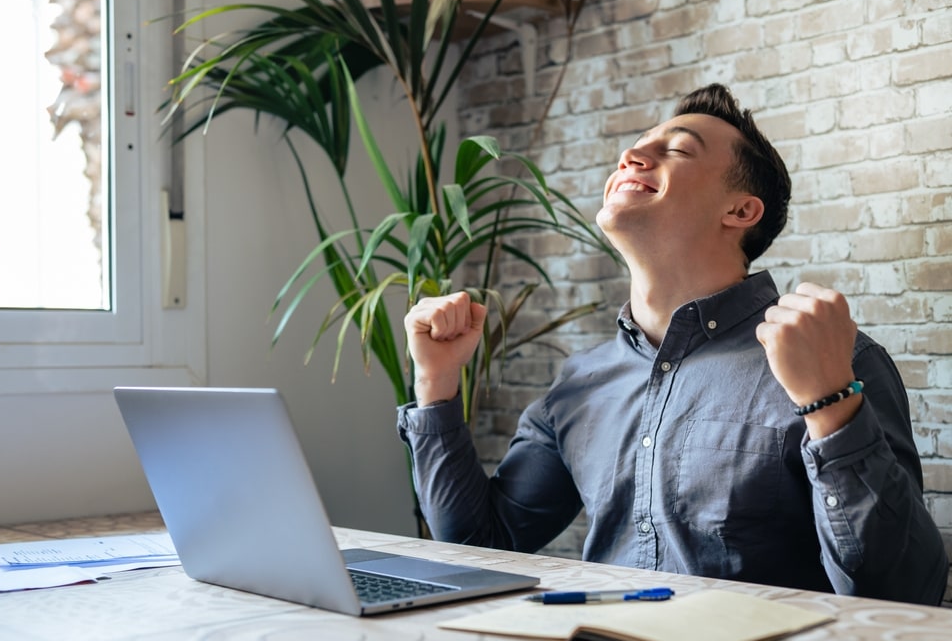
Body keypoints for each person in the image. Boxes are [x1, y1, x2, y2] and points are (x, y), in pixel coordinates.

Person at [397, 83, 948, 606]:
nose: (633, 155)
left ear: (740, 211)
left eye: (677, 149)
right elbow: (482, 547)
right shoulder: (580, 383)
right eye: (635, 147)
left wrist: (830, 404)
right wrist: (436, 384)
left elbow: (903, 596)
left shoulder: (834, 358)